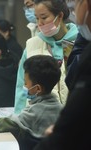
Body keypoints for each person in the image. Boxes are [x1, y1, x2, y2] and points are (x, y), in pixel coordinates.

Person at [34, 0, 91, 149]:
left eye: (74, 8)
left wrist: (63, 128)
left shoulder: (81, 44)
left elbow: (79, 99)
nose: (75, 16)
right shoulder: (33, 43)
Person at [0, 55, 63, 150]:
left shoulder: (36, 112)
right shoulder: (59, 107)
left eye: (25, 83)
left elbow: (4, 126)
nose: (24, 86)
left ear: (37, 88)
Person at [14, 0, 78, 114]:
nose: (39, 23)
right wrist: (19, 118)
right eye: (37, 18)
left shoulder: (79, 43)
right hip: (41, 117)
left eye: (43, 17)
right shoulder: (32, 45)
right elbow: (21, 87)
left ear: (59, 16)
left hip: (75, 117)